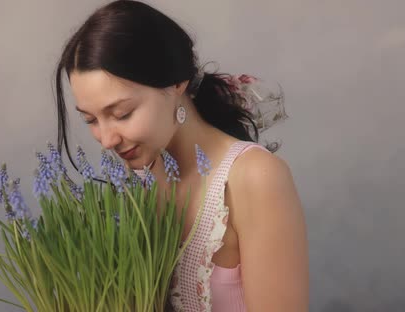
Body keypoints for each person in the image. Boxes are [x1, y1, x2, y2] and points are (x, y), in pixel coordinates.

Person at [53, 1, 309, 311]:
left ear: (176, 82)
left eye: (122, 113)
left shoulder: (255, 177)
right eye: (90, 120)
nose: (107, 140)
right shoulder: (137, 184)